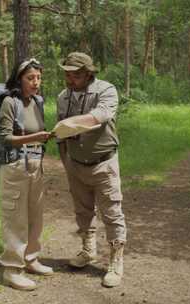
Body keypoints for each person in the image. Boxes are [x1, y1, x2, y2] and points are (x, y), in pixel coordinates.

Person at [56, 52, 127, 287]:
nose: (69, 78)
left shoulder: (106, 90)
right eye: (66, 73)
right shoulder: (63, 98)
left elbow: (101, 115)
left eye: (75, 74)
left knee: (111, 212)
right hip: (75, 164)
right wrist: (65, 162)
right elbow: (61, 136)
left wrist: (72, 124)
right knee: (82, 211)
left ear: (88, 73)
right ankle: (88, 250)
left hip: (104, 163)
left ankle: (116, 261)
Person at [0, 58, 53, 291]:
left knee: (35, 215)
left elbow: (37, 130)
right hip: (15, 165)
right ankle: (12, 270)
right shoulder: (10, 102)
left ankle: (31, 259)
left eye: (39, 78)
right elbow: (6, 138)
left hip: (35, 164)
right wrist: (35, 137)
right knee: (15, 218)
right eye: (31, 78)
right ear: (19, 78)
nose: (36, 82)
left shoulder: (37, 101)